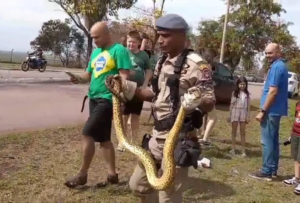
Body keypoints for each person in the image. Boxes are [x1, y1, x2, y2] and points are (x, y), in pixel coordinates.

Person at [109, 14, 215, 203]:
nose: (160, 41)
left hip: (178, 139)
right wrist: (126, 87)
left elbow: (210, 101)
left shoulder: (198, 65)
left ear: (181, 36)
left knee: (168, 195)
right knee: (139, 185)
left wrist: (194, 102)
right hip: (157, 137)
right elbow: (152, 93)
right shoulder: (161, 61)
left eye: (165, 36)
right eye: (159, 35)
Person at [64, 22, 132, 188]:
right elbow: (88, 74)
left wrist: (121, 96)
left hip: (108, 100)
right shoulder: (95, 53)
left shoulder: (119, 51)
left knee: (87, 132)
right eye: (92, 37)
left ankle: (82, 174)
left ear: (107, 33)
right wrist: (78, 78)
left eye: (97, 37)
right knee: (104, 139)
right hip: (93, 98)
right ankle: (113, 174)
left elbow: (124, 77)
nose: (94, 40)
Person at [249, 43, 288, 181]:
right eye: (266, 53)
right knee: (273, 141)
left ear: (278, 51)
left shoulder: (277, 67)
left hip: (271, 111)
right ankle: (272, 170)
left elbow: (273, 91)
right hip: (274, 111)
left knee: (267, 141)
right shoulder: (279, 66)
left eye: (270, 53)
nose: (267, 56)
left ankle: (266, 171)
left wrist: (263, 111)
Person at [117, 30, 153, 152]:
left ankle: (133, 142)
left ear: (138, 42)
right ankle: (122, 142)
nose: (130, 44)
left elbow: (148, 70)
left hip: (138, 90)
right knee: (123, 115)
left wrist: (144, 84)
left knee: (135, 116)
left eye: (133, 42)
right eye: (129, 42)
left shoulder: (144, 55)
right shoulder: (122, 53)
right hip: (125, 88)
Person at [198, 48, 218, 147]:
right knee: (213, 118)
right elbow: (208, 83)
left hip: (198, 93)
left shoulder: (198, 66)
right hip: (207, 94)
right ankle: (205, 139)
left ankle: (197, 135)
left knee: (198, 115)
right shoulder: (208, 68)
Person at [228, 76, 250, 157]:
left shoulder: (247, 94)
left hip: (243, 113)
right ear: (238, 84)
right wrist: (230, 115)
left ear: (246, 85)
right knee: (234, 132)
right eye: (240, 84)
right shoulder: (234, 93)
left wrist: (248, 115)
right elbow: (231, 104)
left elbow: (248, 106)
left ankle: (243, 150)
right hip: (235, 112)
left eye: (244, 84)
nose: (242, 86)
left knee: (242, 132)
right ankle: (233, 148)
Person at [283, 101, 300, 195]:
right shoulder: (298, 104)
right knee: (296, 157)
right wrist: (291, 135)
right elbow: (295, 120)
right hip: (295, 134)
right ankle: (296, 179)